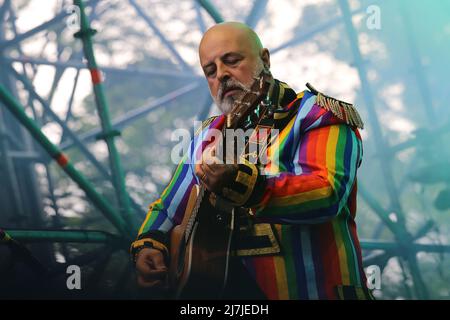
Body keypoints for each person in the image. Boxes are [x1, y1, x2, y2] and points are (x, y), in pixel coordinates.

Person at [130, 21, 372, 300]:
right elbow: (168, 209)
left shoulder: (318, 114)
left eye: (231, 61)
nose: (221, 75)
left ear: (265, 59)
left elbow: (327, 193)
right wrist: (151, 246)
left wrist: (243, 184)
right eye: (210, 71)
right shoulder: (207, 135)